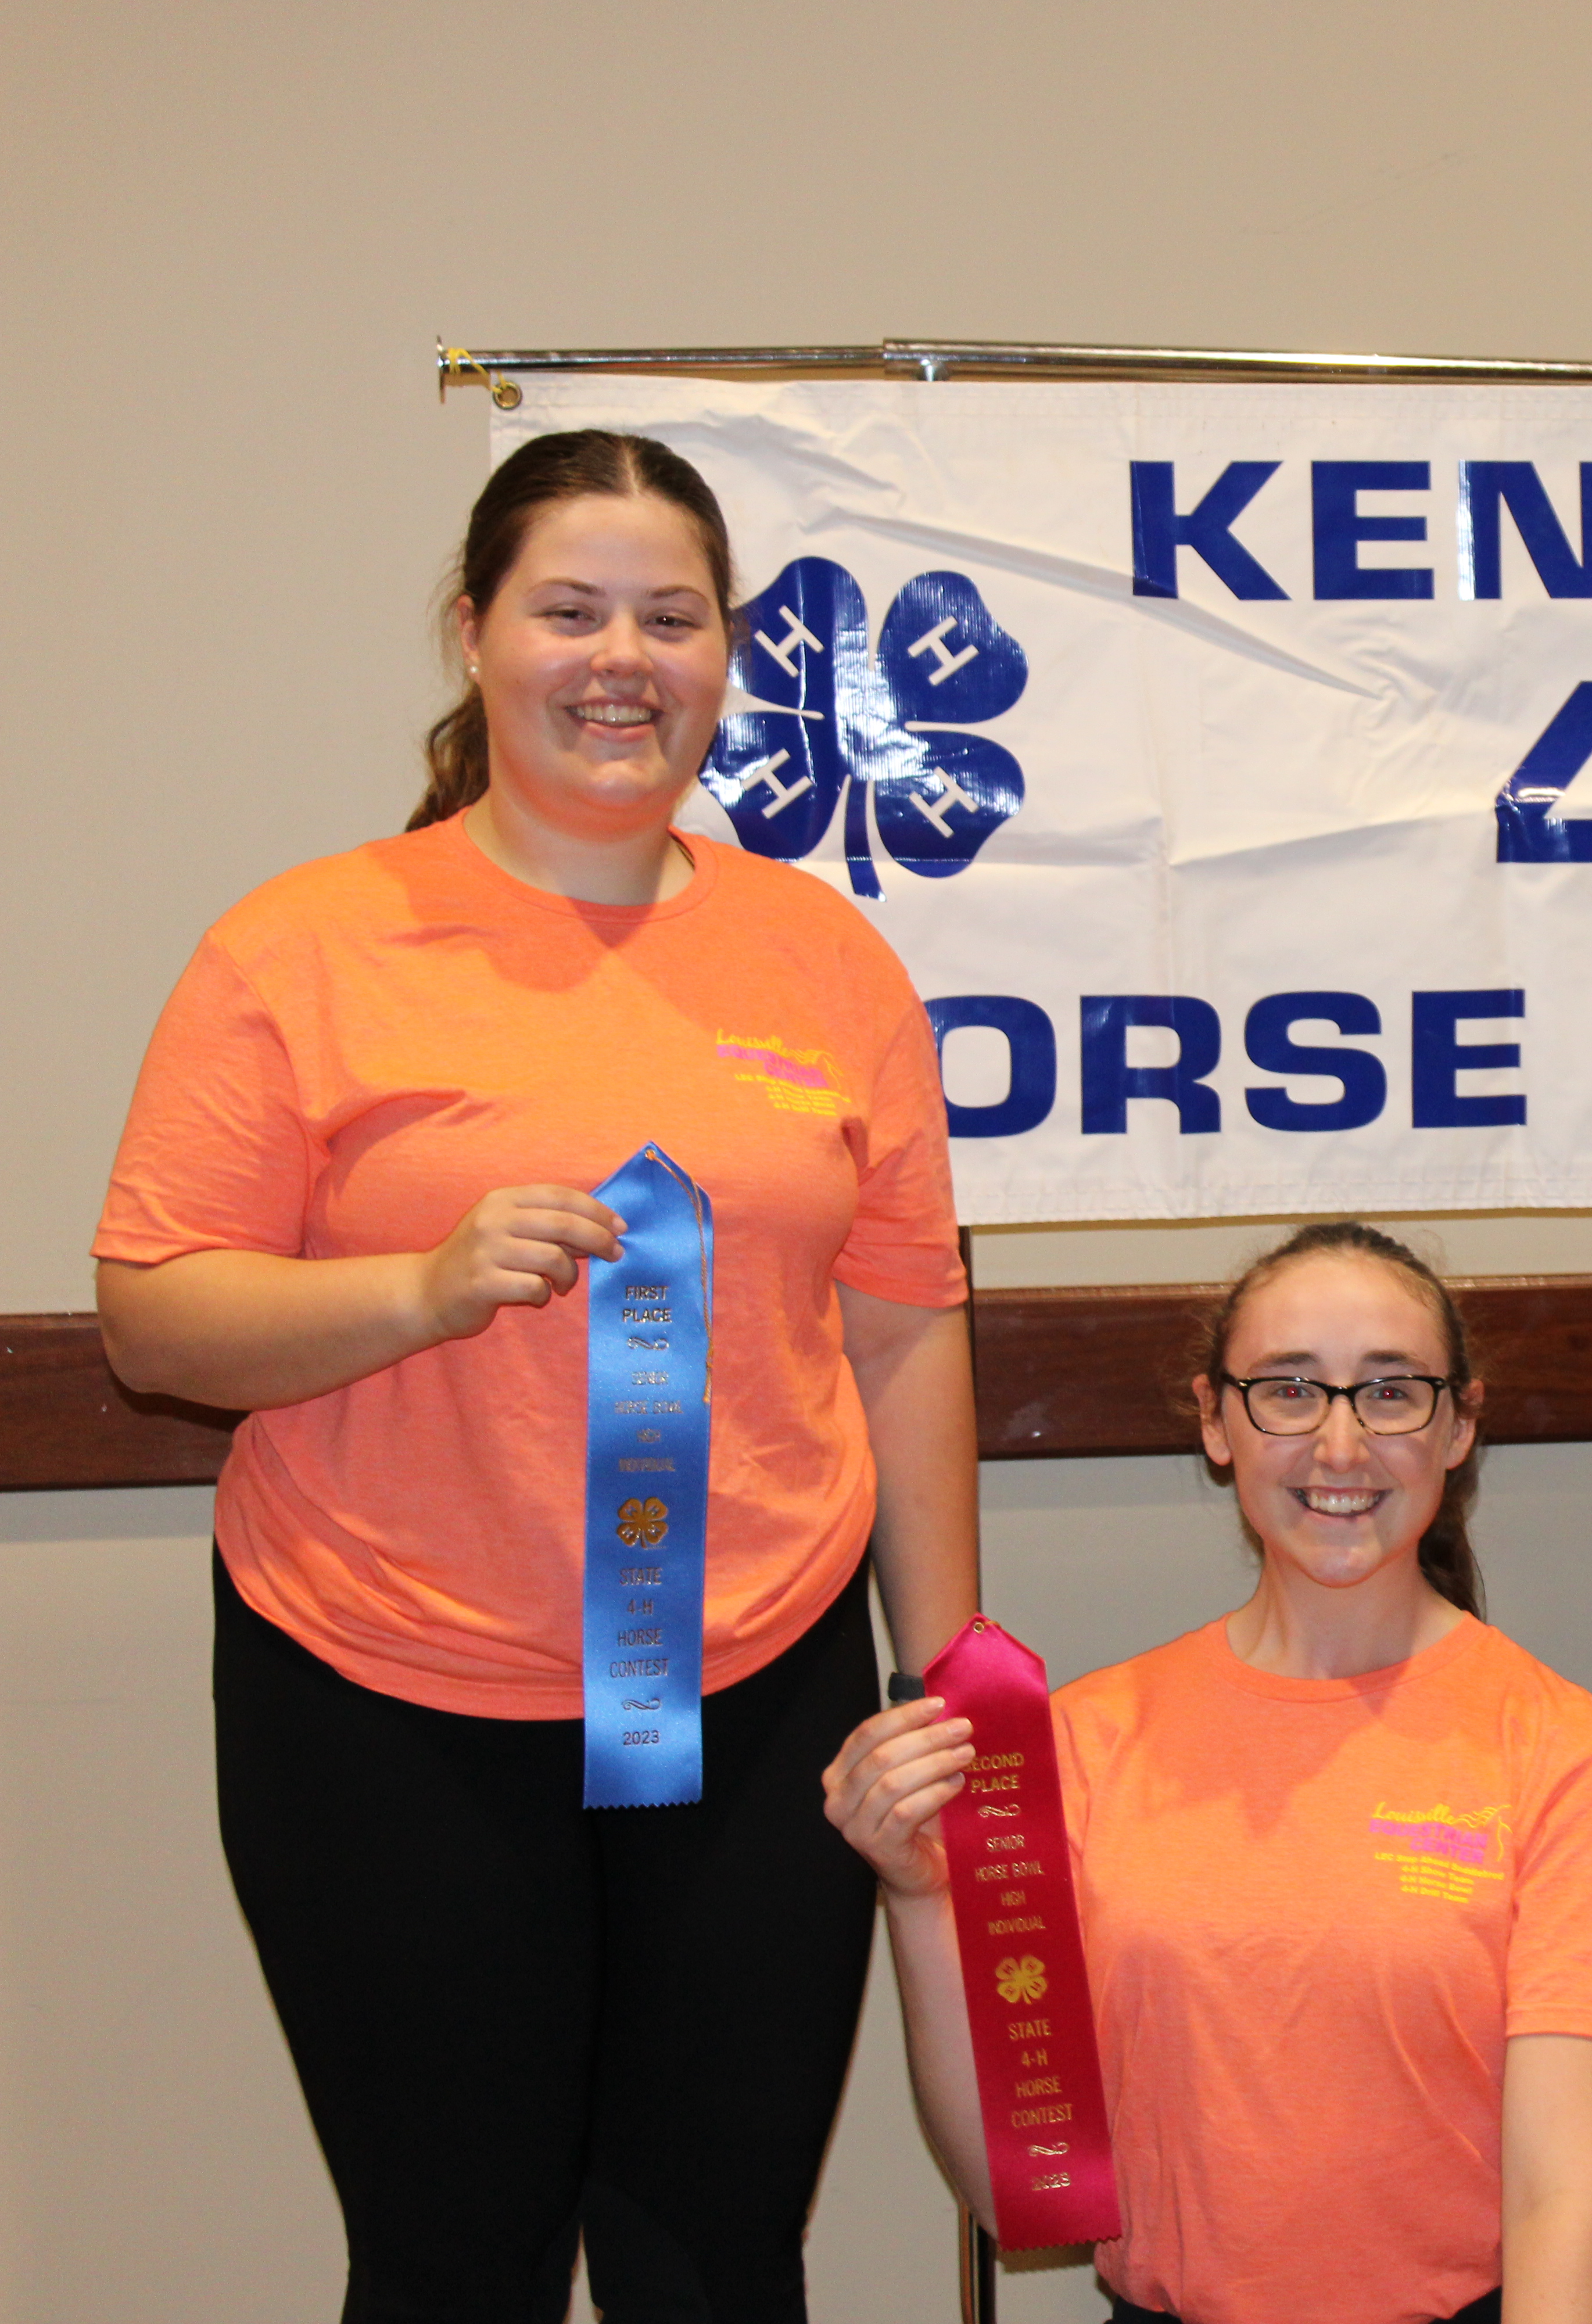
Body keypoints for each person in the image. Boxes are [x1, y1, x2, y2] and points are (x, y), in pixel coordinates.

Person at [92, 430, 979, 2321]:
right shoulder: (305, 945)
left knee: (718, 2261)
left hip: (759, 1690)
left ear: (728, 654)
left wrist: (954, 1675)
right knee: (453, 2262)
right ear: (475, 632)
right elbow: (154, 1319)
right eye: (569, 609)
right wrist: (416, 1288)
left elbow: (904, 1325)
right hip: (387, 1692)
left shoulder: (825, 957)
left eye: (671, 617)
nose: (620, 658)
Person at [827, 1220, 1592, 2324]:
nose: (1340, 1444)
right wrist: (919, 1893)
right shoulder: (1084, 1741)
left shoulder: (1571, 1757)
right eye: (1288, 1389)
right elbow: (1022, 2195)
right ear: (1216, 1422)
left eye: (1391, 1391)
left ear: (1459, 1425)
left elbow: (1562, 2206)